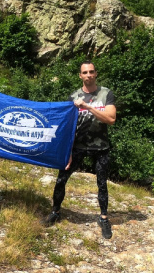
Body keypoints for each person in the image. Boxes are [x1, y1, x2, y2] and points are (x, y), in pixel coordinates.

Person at [43, 60, 117, 239]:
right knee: (61, 179)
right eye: (85, 72)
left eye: (91, 72)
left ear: (96, 74)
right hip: (77, 146)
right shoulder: (74, 96)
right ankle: (55, 212)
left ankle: (104, 218)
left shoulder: (106, 93)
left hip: (101, 147)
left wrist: (89, 107)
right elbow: (67, 126)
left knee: (102, 183)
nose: (89, 75)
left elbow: (111, 119)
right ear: (80, 75)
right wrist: (66, 151)